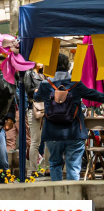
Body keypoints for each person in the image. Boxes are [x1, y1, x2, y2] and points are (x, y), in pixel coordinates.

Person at [34, 53, 104, 181]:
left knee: (55, 164)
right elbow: (95, 95)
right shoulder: (76, 84)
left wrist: (37, 93)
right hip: (74, 132)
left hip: (52, 133)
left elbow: (36, 98)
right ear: (67, 66)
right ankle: (74, 198)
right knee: (73, 168)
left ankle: (59, 199)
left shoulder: (45, 84)